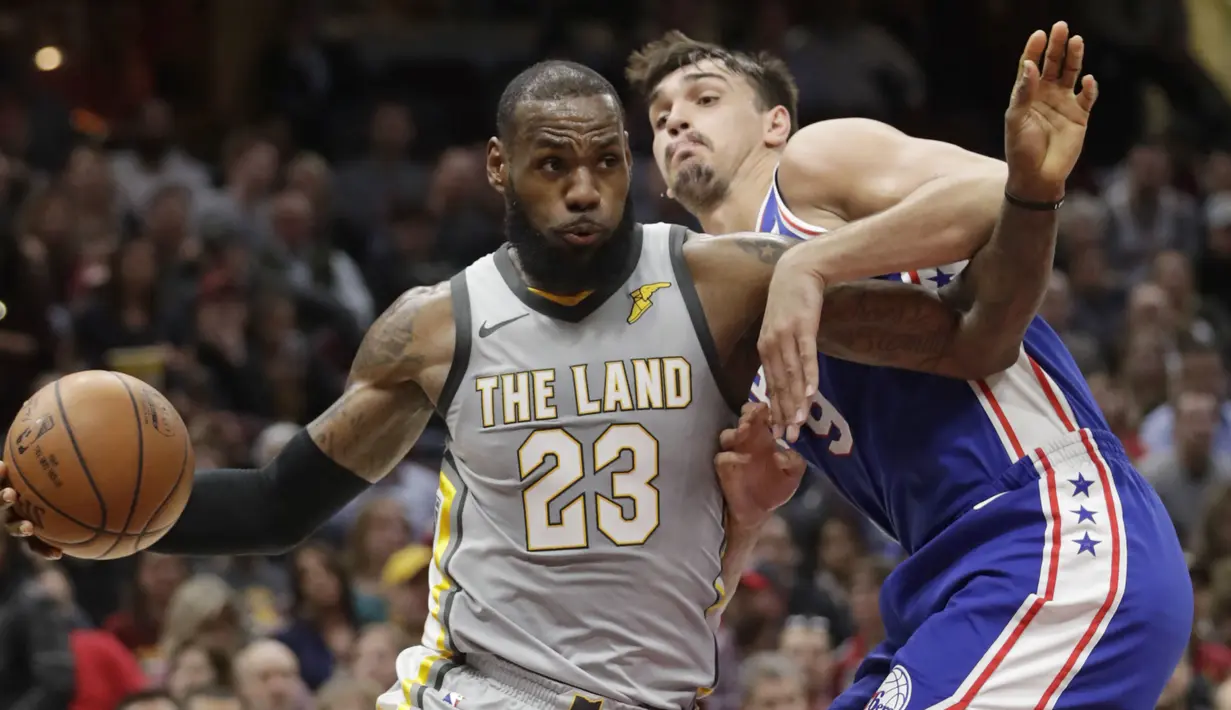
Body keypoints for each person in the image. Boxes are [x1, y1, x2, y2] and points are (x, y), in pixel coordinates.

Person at [5, 38, 1090, 708]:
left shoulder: (722, 282)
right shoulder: (434, 327)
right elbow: (280, 501)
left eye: (606, 160)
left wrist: (1031, 195)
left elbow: (969, 336)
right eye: (552, 163)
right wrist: (109, 516)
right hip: (482, 692)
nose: (583, 188)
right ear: (498, 168)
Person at [629, 24, 1190, 709]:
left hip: (1047, 524)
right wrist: (747, 517)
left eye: (704, 98)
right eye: (661, 118)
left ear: (774, 122)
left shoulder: (810, 169)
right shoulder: (714, 329)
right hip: (944, 574)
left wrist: (811, 262)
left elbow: (1004, 186)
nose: (677, 119)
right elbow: (694, 617)